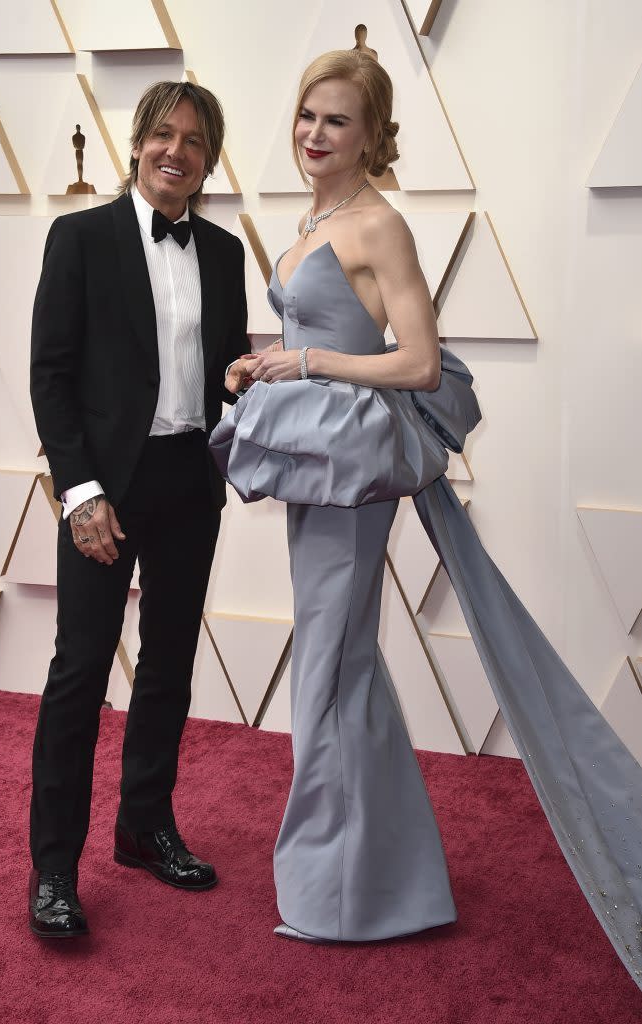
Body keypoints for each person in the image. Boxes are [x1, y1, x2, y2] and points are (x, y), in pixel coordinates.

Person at [212, 49, 642, 992]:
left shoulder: (379, 225)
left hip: (355, 476)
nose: (313, 135)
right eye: (304, 117)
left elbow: (417, 364)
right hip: (317, 471)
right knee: (342, 666)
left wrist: (310, 363)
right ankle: (377, 885)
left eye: (335, 121)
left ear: (371, 134)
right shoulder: (309, 225)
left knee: (325, 669)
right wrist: (264, 363)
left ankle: (338, 895)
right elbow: (325, 340)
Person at [28, 80, 249, 938]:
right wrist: (79, 492)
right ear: (137, 143)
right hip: (102, 491)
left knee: (168, 665)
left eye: (195, 142)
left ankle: (143, 827)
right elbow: (52, 373)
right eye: (164, 135)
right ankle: (53, 870)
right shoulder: (79, 238)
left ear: (209, 159)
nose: (177, 153)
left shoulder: (225, 252)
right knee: (79, 675)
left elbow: (227, 371)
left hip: (189, 482)